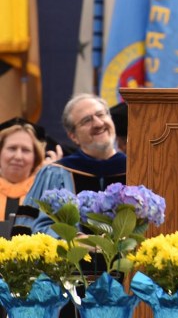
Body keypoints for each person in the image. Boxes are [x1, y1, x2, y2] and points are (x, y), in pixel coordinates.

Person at [14, 93, 127, 236]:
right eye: (87, 120)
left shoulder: (135, 171)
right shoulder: (54, 174)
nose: (98, 123)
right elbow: (29, 231)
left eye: (101, 115)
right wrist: (73, 240)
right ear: (73, 136)